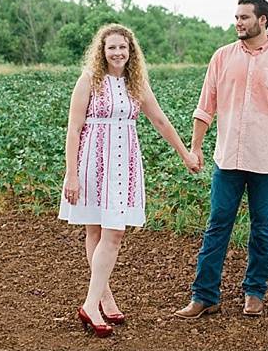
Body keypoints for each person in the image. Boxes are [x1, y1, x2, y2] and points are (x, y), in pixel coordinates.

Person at [59, 23, 200, 337]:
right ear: (102, 50)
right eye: (112, 47)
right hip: (92, 162)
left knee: (115, 233)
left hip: (123, 162)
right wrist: (71, 174)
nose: (118, 52)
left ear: (131, 50)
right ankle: (96, 302)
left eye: (123, 47)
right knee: (95, 230)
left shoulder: (137, 84)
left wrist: (185, 153)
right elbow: (73, 129)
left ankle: (96, 300)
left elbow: (160, 120)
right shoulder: (89, 80)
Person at [174, 0, 268, 319]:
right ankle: (204, 296)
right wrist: (195, 147)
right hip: (227, 161)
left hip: (266, 160)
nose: (238, 22)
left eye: (245, 17)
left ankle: (254, 292)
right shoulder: (221, 58)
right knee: (217, 225)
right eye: (236, 17)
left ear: (263, 20)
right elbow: (206, 106)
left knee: (262, 228)